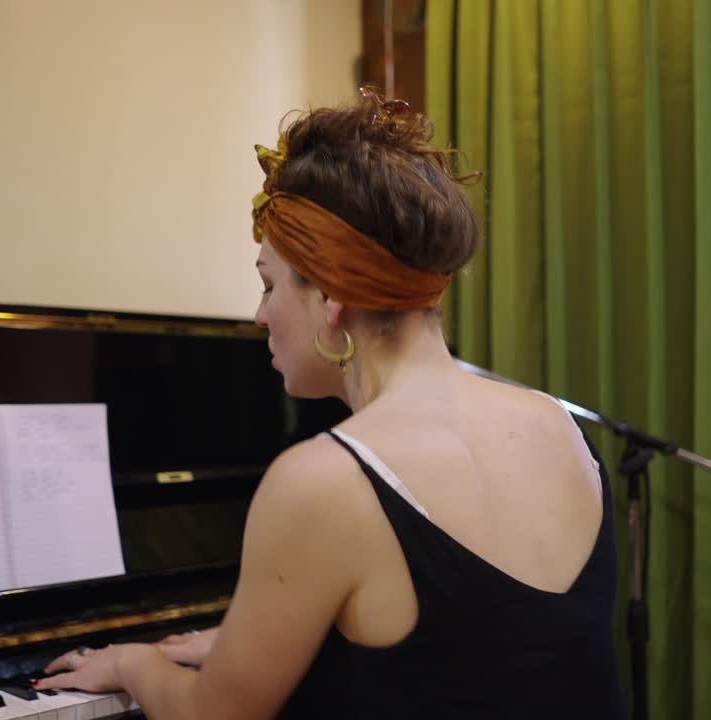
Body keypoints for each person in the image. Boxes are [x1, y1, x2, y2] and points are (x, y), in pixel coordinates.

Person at [37, 88, 626, 718]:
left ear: (330, 296)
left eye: (269, 285)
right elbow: (488, 648)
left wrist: (135, 661)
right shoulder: (562, 427)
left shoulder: (324, 481)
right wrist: (251, 643)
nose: (260, 316)